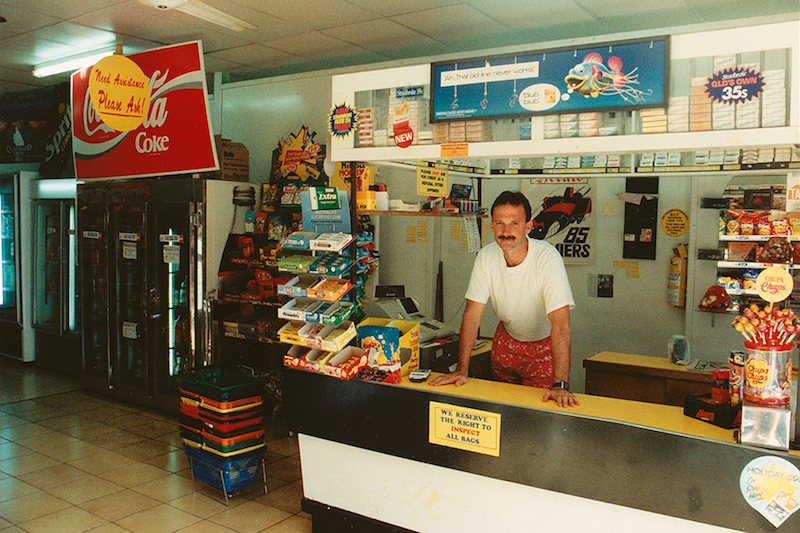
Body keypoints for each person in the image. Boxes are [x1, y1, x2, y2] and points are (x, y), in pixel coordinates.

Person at [429, 191, 579, 407]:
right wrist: (462, 369)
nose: (506, 231)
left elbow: (561, 325)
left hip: (543, 349)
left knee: (535, 412)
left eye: (514, 223)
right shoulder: (486, 256)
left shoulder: (547, 258)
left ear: (528, 227)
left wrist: (561, 384)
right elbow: (472, 315)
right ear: (491, 226)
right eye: (500, 223)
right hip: (506, 344)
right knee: (503, 409)